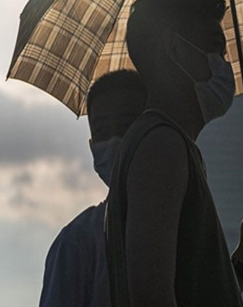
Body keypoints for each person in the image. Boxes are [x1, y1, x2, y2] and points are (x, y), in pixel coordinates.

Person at [105, 0, 243, 307]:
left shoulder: (170, 145)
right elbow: (151, 296)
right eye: (214, 48)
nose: (223, 64)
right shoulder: (161, 145)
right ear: (174, 49)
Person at [39, 70, 147, 307]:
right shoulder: (79, 241)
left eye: (127, 126)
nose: (114, 140)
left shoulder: (187, 228)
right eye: (101, 132)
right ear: (92, 145)